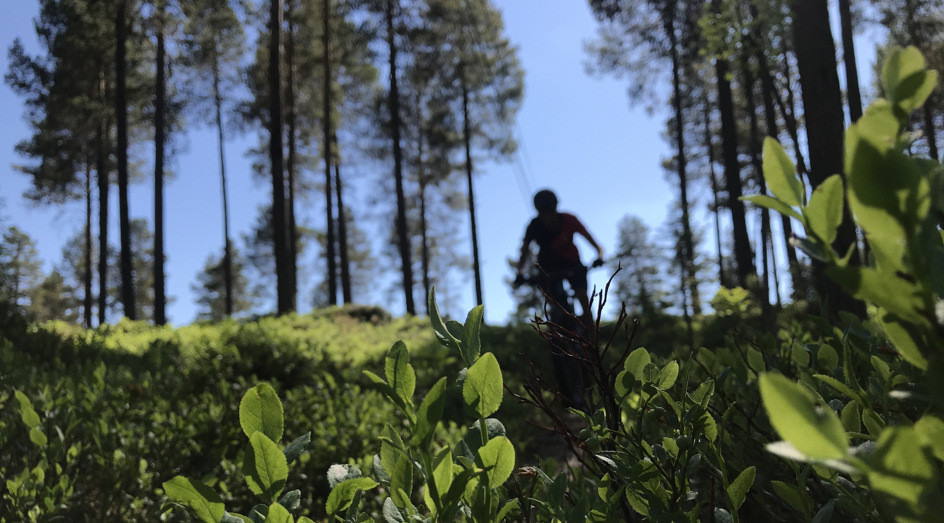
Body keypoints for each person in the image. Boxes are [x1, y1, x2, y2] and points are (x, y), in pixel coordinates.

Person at [514, 189, 604, 330]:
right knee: (554, 305)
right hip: (547, 267)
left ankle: (592, 341)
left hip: (573, 264)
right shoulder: (534, 225)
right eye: (544, 213)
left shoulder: (570, 220)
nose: (548, 217)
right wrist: (520, 273)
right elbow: (523, 252)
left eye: (550, 211)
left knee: (583, 299)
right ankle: (557, 338)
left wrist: (599, 257)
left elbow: (597, 246)